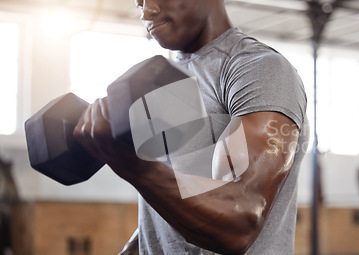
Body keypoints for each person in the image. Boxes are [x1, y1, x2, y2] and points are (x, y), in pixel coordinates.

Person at [73, 0, 309, 254]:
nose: (147, 11)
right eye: (139, 1)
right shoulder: (163, 80)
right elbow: (168, 211)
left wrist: (134, 166)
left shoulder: (255, 69)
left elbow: (240, 223)